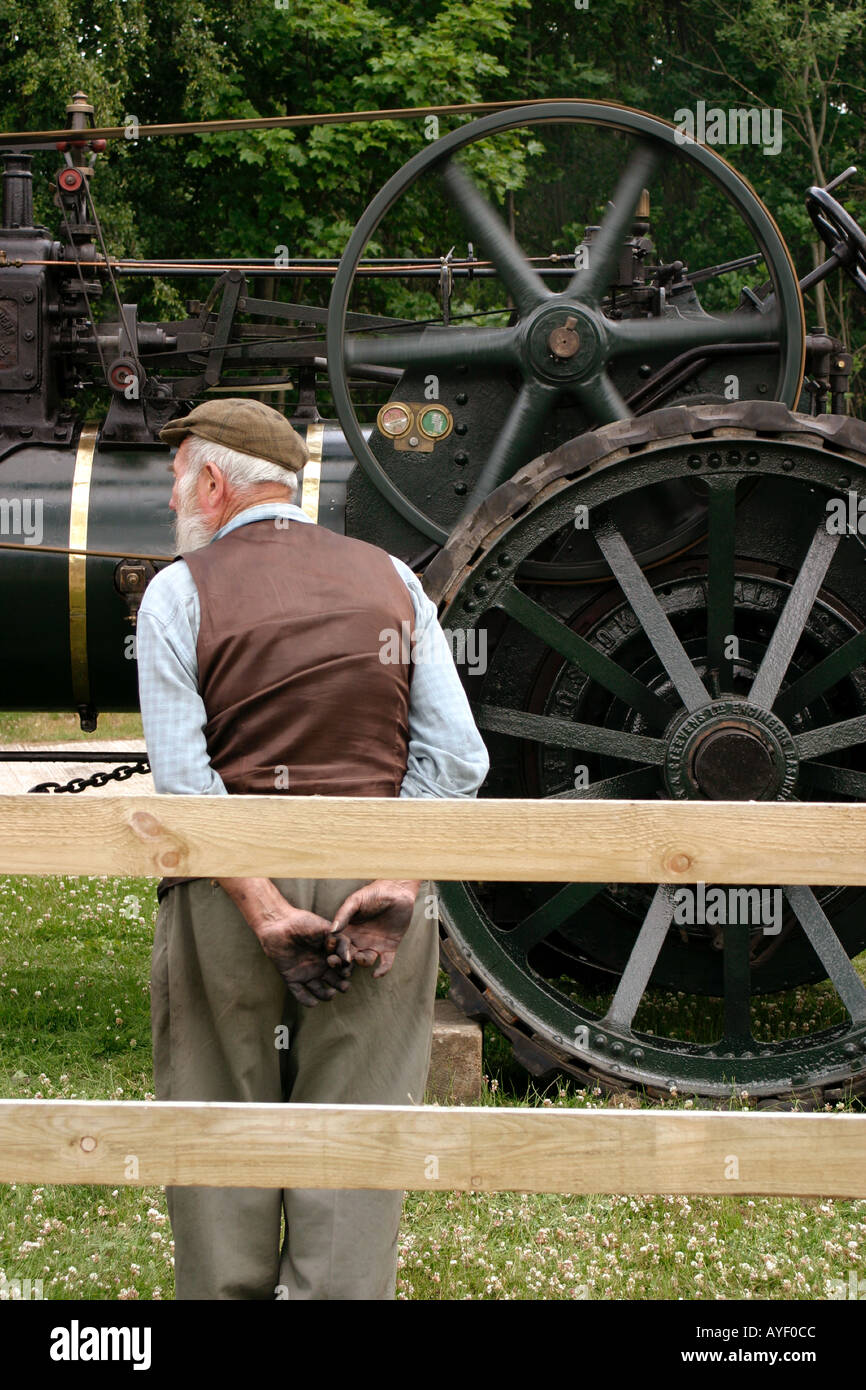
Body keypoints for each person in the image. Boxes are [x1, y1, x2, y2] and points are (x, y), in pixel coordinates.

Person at [136, 397, 489, 1300]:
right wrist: (395, 878)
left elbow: (186, 789)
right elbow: (457, 759)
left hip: (230, 891)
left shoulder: (181, 591)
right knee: (355, 1141)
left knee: (222, 1132)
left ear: (214, 483)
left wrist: (263, 909)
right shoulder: (393, 580)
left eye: (179, 472)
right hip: (373, 886)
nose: (173, 489)